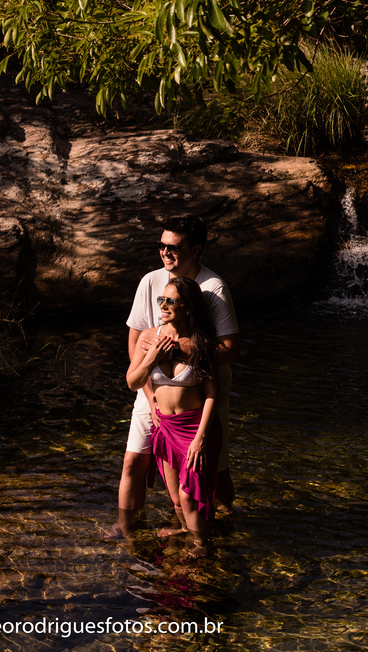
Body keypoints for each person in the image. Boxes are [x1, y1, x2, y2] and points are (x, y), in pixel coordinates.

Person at [111, 215, 239, 538]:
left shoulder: (212, 289)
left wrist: (182, 353)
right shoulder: (151, 282)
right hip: (152, 387)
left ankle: (222, 525)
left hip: (198, 395)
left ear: (195, 250)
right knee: (133, 463)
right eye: (161, 246)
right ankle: (128, 531)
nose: (165, 253)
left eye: (173, 247)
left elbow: (230, 349)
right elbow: (136, 339)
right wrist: (149, 384)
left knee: (214, 471)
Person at [127, 275, 222, 557]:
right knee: (176, 500)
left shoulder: (200, 344)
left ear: (188, 307)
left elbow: (212, 394)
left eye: (171, 301)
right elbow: (133, 381)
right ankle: (184, 529)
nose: (164, 305)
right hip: (165, 428)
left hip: (194, 429)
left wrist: (200, 438)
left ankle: (203, 546)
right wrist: (152, 358)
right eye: (162, 300)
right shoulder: (148, 338)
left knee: (188, 495)